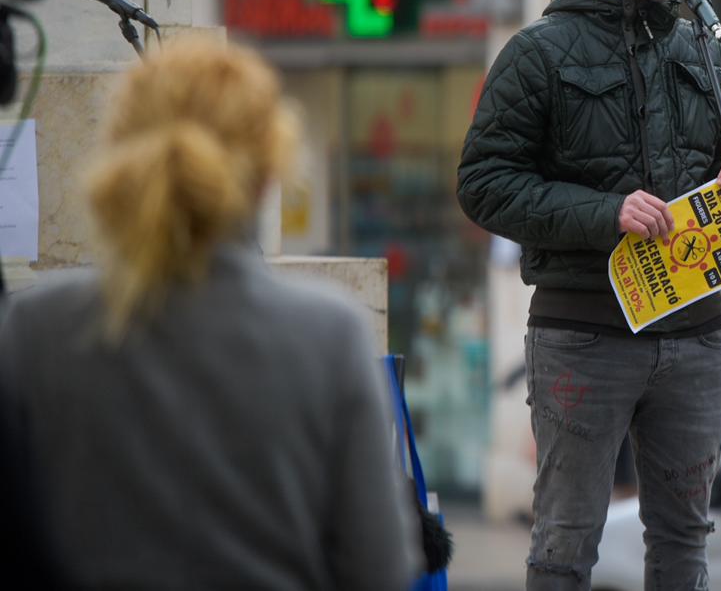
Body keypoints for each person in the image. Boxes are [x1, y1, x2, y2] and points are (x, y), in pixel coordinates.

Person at [457, 0, 721, 590]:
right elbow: (483, 185)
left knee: (684, 540)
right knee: (566, 541)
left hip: (694, 333)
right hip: (584, 336)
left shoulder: (701, 46)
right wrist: (607, 214)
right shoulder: (538, 54)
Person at [0, 38, 421, 590]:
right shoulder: (329, 335)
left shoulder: (36, 328)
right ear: (267, 175)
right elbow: (379, 570)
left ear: (118, 159)